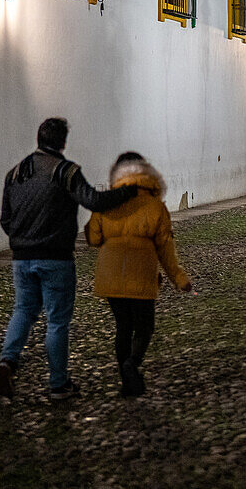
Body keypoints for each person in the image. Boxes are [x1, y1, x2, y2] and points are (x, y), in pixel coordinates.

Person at [0, 118, 139, 400]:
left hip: (21, 258)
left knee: (23, 310)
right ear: (63, 142)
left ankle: (7, 360)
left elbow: (5, 219)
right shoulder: (66, 172)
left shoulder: (14, 173)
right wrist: (127, 192)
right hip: (56, 258)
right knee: (57, 322)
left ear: (38, 139)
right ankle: (58, 383)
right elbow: (93, 201)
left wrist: (22, 239)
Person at [85, 152, 192, 396]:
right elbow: (165, 249)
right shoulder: (156, 207)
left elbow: (93, 237)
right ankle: (132, 363)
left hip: (110, 274)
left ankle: (126, 381)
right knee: (144, 327)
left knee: (123, 326)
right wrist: (179, 278)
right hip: (142, 274)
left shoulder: (107, 203)